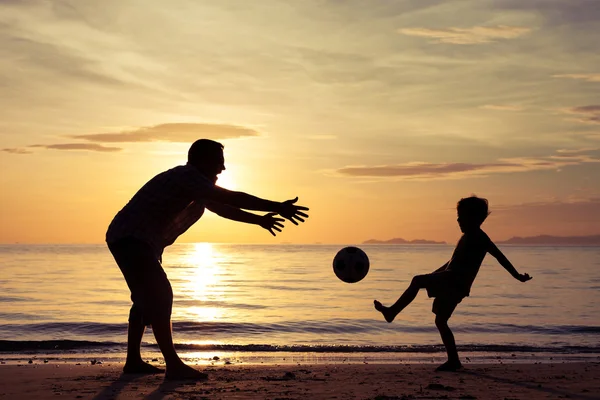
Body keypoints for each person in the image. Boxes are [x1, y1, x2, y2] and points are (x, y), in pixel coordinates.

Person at [106, 139, 309, 380]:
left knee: (144, 298)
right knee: (160, 295)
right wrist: (278, 206)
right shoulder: (187, 177)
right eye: (218, 164)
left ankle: (133, 362)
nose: (222, 170)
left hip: (135, 239)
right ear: (201, 161)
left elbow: (222, 207)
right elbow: (232, 198)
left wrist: (260, 220)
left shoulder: (196, 186)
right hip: (132, 238)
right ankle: (173, 365)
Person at [373, 196, 531, 371]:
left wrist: (517, 276)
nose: (458, 220)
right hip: (453, 281)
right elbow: (452, 262)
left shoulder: (480, 237)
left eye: (462, 216)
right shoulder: (467, 237)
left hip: (454, 282)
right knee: (441, 321)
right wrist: (435, 274)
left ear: (475, 218)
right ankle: (454, 360)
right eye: (458, 216)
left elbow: (500, 257)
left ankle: (392, 312)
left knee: (417, 281)